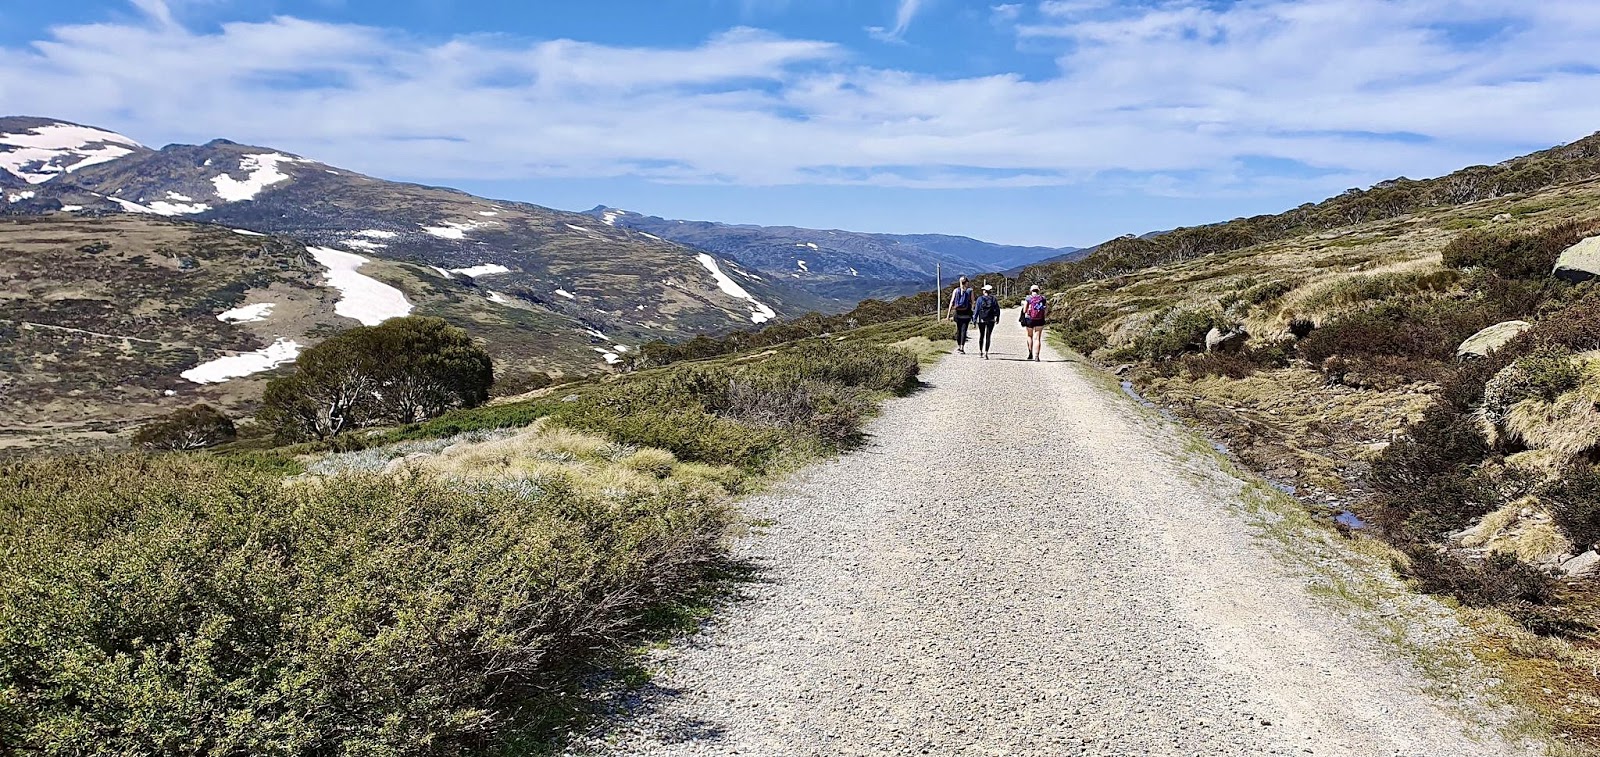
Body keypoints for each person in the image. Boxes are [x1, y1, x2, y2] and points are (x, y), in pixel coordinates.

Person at [1019, 284, 1049, 362]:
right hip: (1040, 319)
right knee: (1037, 338)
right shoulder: (1043, 298)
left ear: (1031, 290)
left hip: (1029, 319)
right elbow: (1046, 310)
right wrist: (1043, 316)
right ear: (1038, 290)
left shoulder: (1028, 298)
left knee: (1029, 336)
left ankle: (1030, 353)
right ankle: (1037, 356)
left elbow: (1024, 310)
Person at [947, 276, 975, 354]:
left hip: (957, 313)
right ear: (967, 282)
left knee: (958, 330)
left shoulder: (956, 290)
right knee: (964, 330)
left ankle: (959, 345)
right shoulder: (970, 291)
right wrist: (972, 313)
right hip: (967, 313)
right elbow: (973, 302)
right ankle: (962, 347)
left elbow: (952, 302)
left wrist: (948, 314)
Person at [973, 283, 1001, 359]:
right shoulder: (993, 299)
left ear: (984, 291)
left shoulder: (980, 299)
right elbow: (997, 309)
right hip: (991, 319)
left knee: (981, 335)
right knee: (988, 336)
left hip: (981, 319)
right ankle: (986, 353)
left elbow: (976, 310)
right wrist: (997, 318)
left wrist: (974, 320)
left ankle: (980, 351)